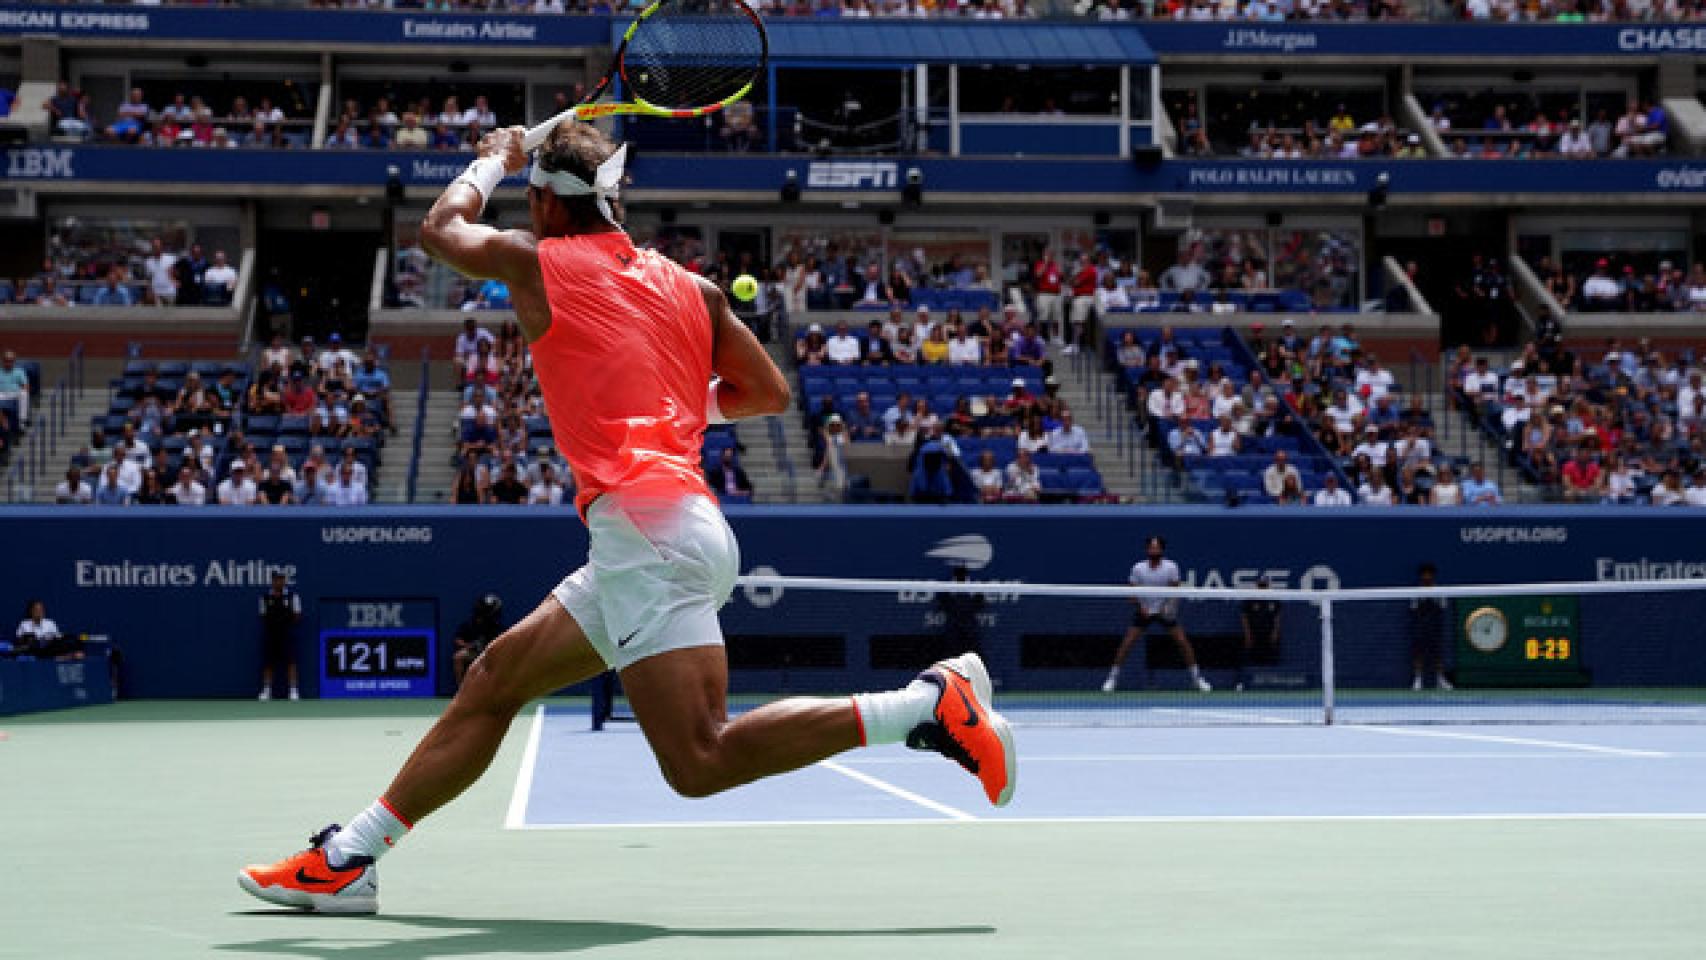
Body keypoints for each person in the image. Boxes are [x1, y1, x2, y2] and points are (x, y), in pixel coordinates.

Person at [240, 121, 1016, 914]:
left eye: (532, 193)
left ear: (543, 202)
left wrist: (493, 160)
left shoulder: (534, 260)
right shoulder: (693, 288)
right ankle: (348, 858)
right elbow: (767, 394)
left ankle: (925, 706)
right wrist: (675, 411)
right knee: (496, 680)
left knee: (699, 758)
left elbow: (439, 229)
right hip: (663, 532)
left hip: (651, 540)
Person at [1102, 536, 1211, 694]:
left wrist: (1166, 608)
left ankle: (1197, 679)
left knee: (1182, 641)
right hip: (1144, 610)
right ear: (1147, 550)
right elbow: (1131, 593)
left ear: (1162, 550)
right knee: (1128, 642)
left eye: (1157, 548)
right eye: (1151, 548)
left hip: (1164, 611)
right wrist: (1141, 608)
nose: (1154, 550)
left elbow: (1174, 591)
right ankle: (1112, 679)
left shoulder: (1171, 567)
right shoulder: (1138, 568)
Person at [258, 571, 302, 701]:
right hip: (271, 634)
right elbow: (262, 615)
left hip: (286, 634)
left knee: (291, 662)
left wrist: (285, 623)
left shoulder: (293, 597)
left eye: (281, 579)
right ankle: (267, 691)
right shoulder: (264, 598)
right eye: (276, 579)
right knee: (268, 663)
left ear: (284, 581)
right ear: (272, 581)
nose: (279, 582)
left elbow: (297, 615)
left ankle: (293, 691)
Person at [1408, 563, 1452, 692]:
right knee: (1418, 654)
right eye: (1424, 574)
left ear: (1433, 576)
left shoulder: (1440, 591)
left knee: (1438, 654)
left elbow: (1443, 607)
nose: (1427, 576)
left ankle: (1440, 680)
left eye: (1429, 573)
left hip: (1435, 627)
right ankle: (1417, 681)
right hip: (1420, 628)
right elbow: (1413, 609)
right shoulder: (1415, 592)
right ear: (1421, 576)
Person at [1237, 576, 1281, 692]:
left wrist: (1275, 632)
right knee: (1247, 658)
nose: (1262, 587)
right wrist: (1247, 634)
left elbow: (1277, 617)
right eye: (1261, 585)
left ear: (1268, 585)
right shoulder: (1250, 599)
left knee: (1271, 658)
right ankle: (1242, 682)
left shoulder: (1274, 599)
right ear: (1257, 585)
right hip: (1253, 635)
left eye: (1264, 585)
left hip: (1268, 634)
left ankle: (1272, 683)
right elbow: (1244, 617)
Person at [451, 594, 505, 689]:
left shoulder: (496, 627)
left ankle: (497, 688)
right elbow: (458, 639)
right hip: (474, 652)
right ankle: (461, 689)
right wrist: (468, 645)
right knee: (458, 657)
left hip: (490, 653)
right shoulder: (470, 624)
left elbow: (501, 642)